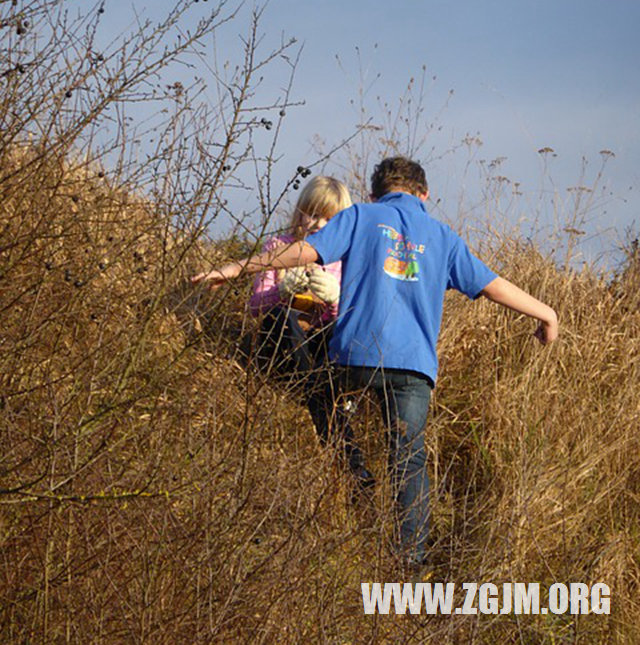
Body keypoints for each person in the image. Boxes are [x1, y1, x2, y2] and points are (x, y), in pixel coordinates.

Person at [192, 157, 558, 569]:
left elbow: (302, 253)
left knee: (321, 393)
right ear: (425, 195)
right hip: (412, 369)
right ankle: (410, 566)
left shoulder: (360, 216)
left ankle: (350, 469)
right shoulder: (443, 237)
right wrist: (547, 313)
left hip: (354, 355)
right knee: (408, 459)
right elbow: (493, 287)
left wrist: (236, 267)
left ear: (374, 193)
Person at [239, 175, 371, 486]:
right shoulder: (277, 247)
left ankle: (353, 468)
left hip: (319, 351)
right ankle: (322, 396)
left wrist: (335, 301)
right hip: (281, 346)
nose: (317, 224)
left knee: (338, 334)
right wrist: (281, 292)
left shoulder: (346, 260)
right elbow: (255, 307)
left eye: (329, 219)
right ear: (298, 211)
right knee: (282, 318)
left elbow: (354, 318)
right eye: (311, 213)